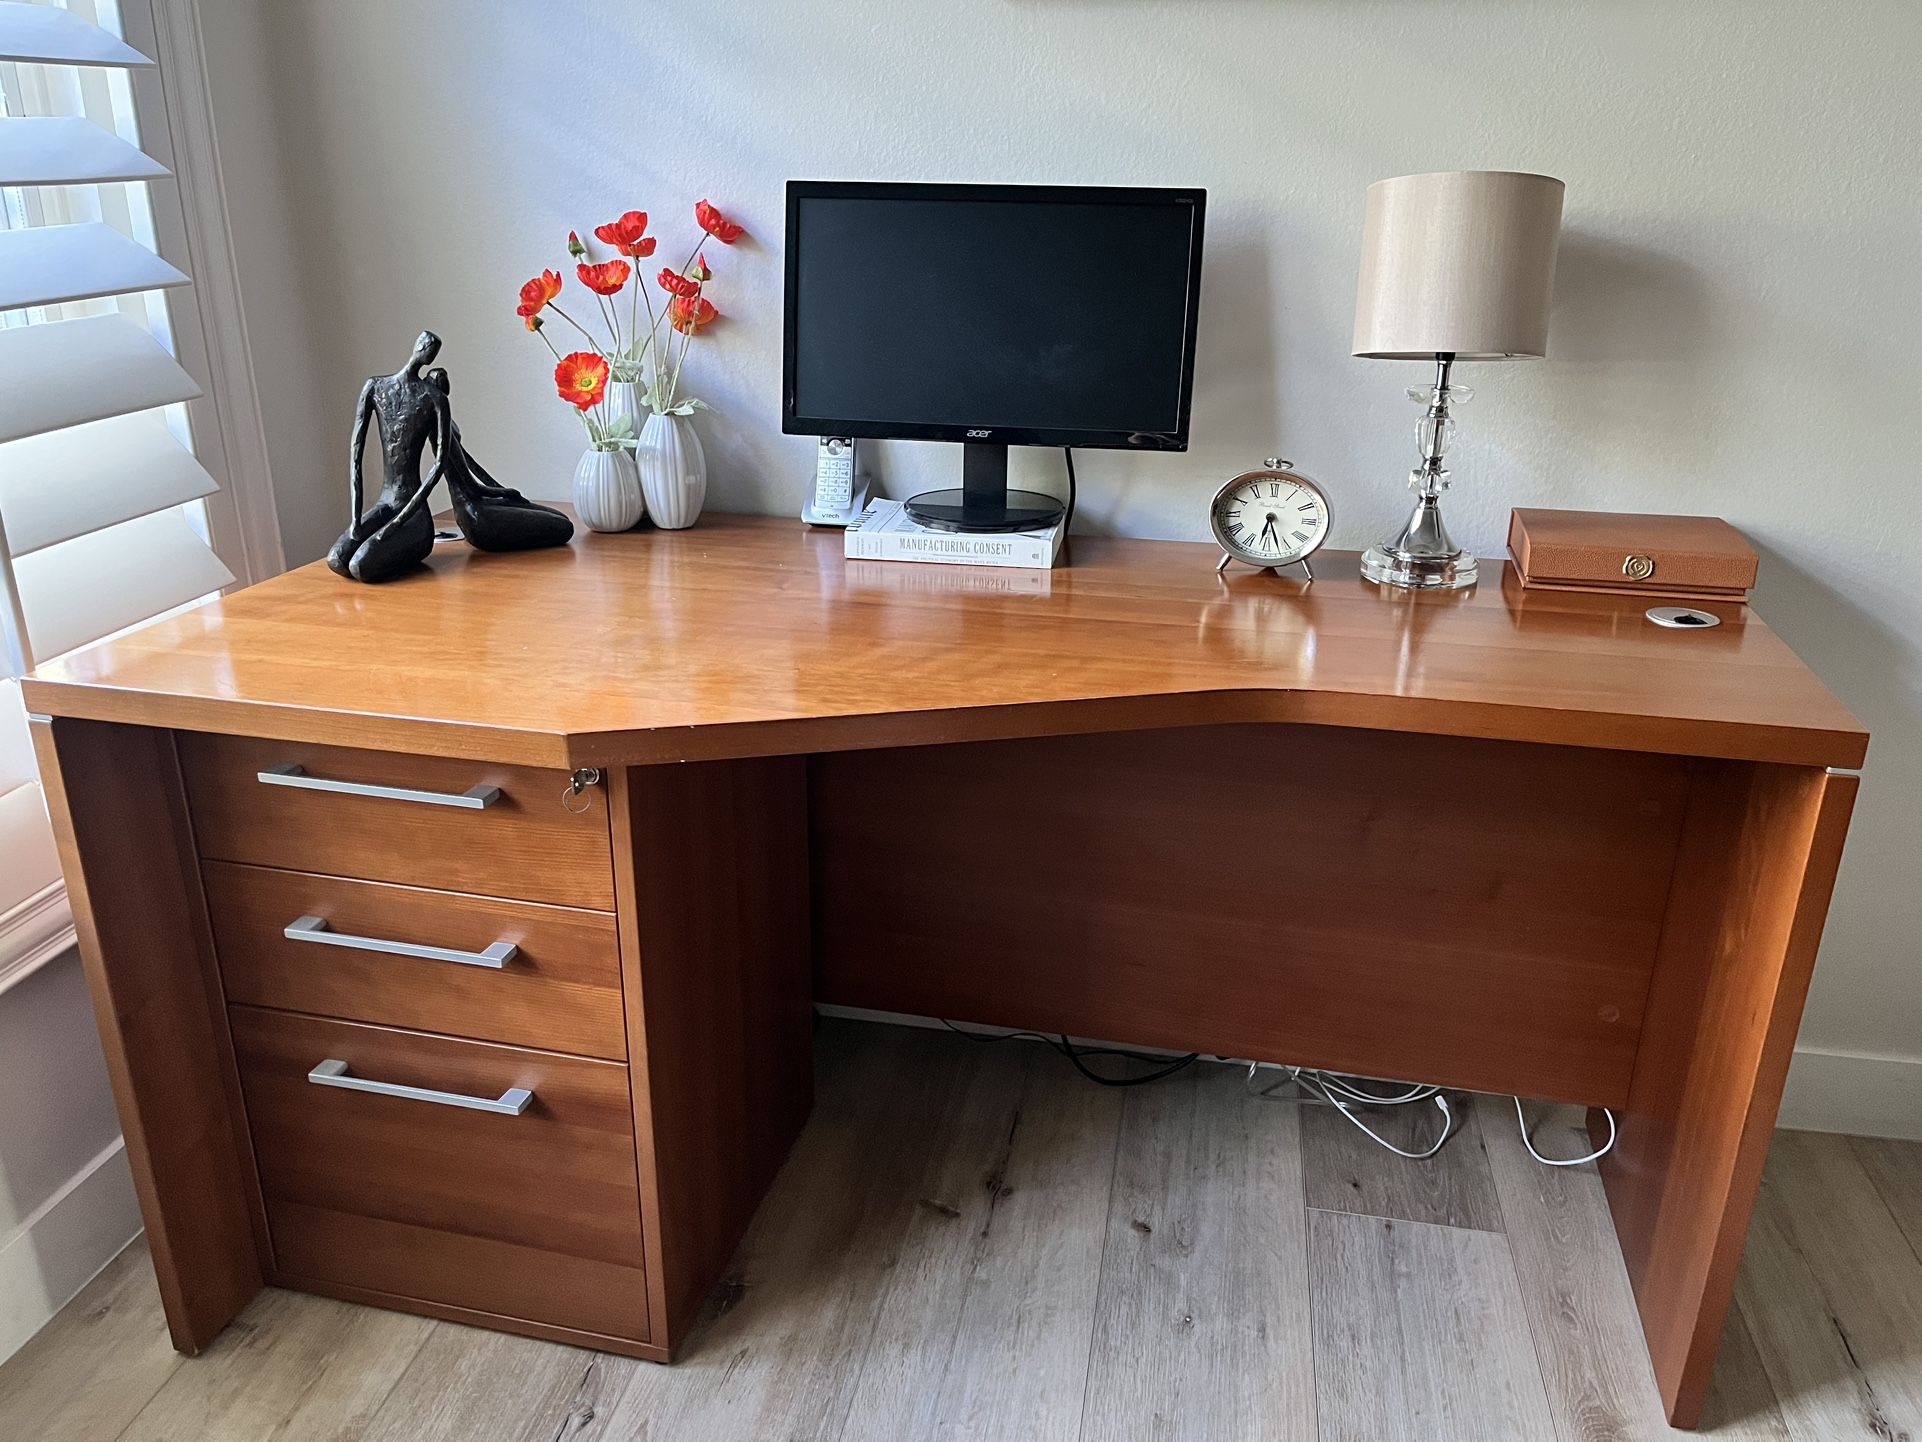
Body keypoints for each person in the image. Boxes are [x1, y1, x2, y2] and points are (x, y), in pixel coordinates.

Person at [330, 331, 572, 583]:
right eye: (429, 347)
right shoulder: (375, 387)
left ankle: (406, 534)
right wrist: (356, 519)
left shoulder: (434, 400)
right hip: (388, 505)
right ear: (420, 348)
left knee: (360, 566)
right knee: (337, 559)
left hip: (414, 513)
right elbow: (355, 455)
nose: (430, 352)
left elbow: (445, 468)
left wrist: (396, 524)